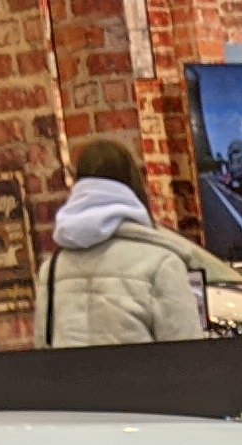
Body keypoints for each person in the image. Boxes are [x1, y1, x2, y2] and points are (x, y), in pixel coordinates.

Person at [35, 136, 201, 345]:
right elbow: (188, 353)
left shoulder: (51, 269)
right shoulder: (162, 264)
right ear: (134, 185)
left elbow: (43, 347)